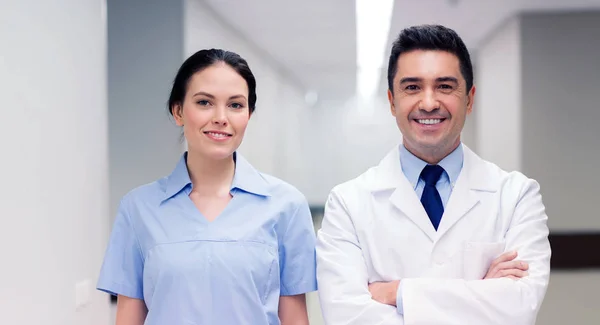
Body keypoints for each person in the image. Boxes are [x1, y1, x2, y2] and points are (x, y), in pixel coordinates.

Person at [315, 25, 551, 325]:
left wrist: (398, 293)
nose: (428, 103)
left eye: (445, 86)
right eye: (412, 87)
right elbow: (345, 316)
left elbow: (519, 308)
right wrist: (482, 293)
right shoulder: (347, 204)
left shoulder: (517, 196)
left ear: (469, 99)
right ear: (392, 101)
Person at [97, 49, 317, 325]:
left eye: (236, 105)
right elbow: (128, 319)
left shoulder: (287, 205)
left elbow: (295, 318)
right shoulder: (138, 209)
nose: (221, 117)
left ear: (249, 114)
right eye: (204, 102)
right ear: (178, 111)